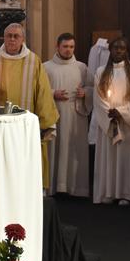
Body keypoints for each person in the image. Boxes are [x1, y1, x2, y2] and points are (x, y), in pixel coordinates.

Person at [0, 23, 58, 187]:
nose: (12, 39)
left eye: (16, 36)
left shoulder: (34, 62)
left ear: (22, 39)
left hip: (26, 123)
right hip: (1, 124)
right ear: (3, 38)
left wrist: (45, 122)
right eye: (9, 36)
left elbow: (43, 92)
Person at [92, 36, 130, 205]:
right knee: (109, 157)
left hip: (127, 123)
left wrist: (121, 112)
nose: (119, 51)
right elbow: (98, 98)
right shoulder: (101, 71)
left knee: (127, 158)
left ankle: (127, 194)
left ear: (127, 51)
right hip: (109, 122)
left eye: (122, 48)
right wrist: (109, 113)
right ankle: (108, 192)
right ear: (110, 50)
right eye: (115, 48)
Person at [43, 33, 93, 197]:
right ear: (57, 47)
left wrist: (84, 93)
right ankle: (55, 186)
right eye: (65, 46)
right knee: (57, 148)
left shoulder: (81, 67)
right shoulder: (46, 67)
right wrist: (53, 93)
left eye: (71, 47)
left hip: (76, 115)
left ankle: (75, 188)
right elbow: (40, 91)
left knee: (74, 149)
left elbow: (92, 88)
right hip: (55, 113)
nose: (68, 50)